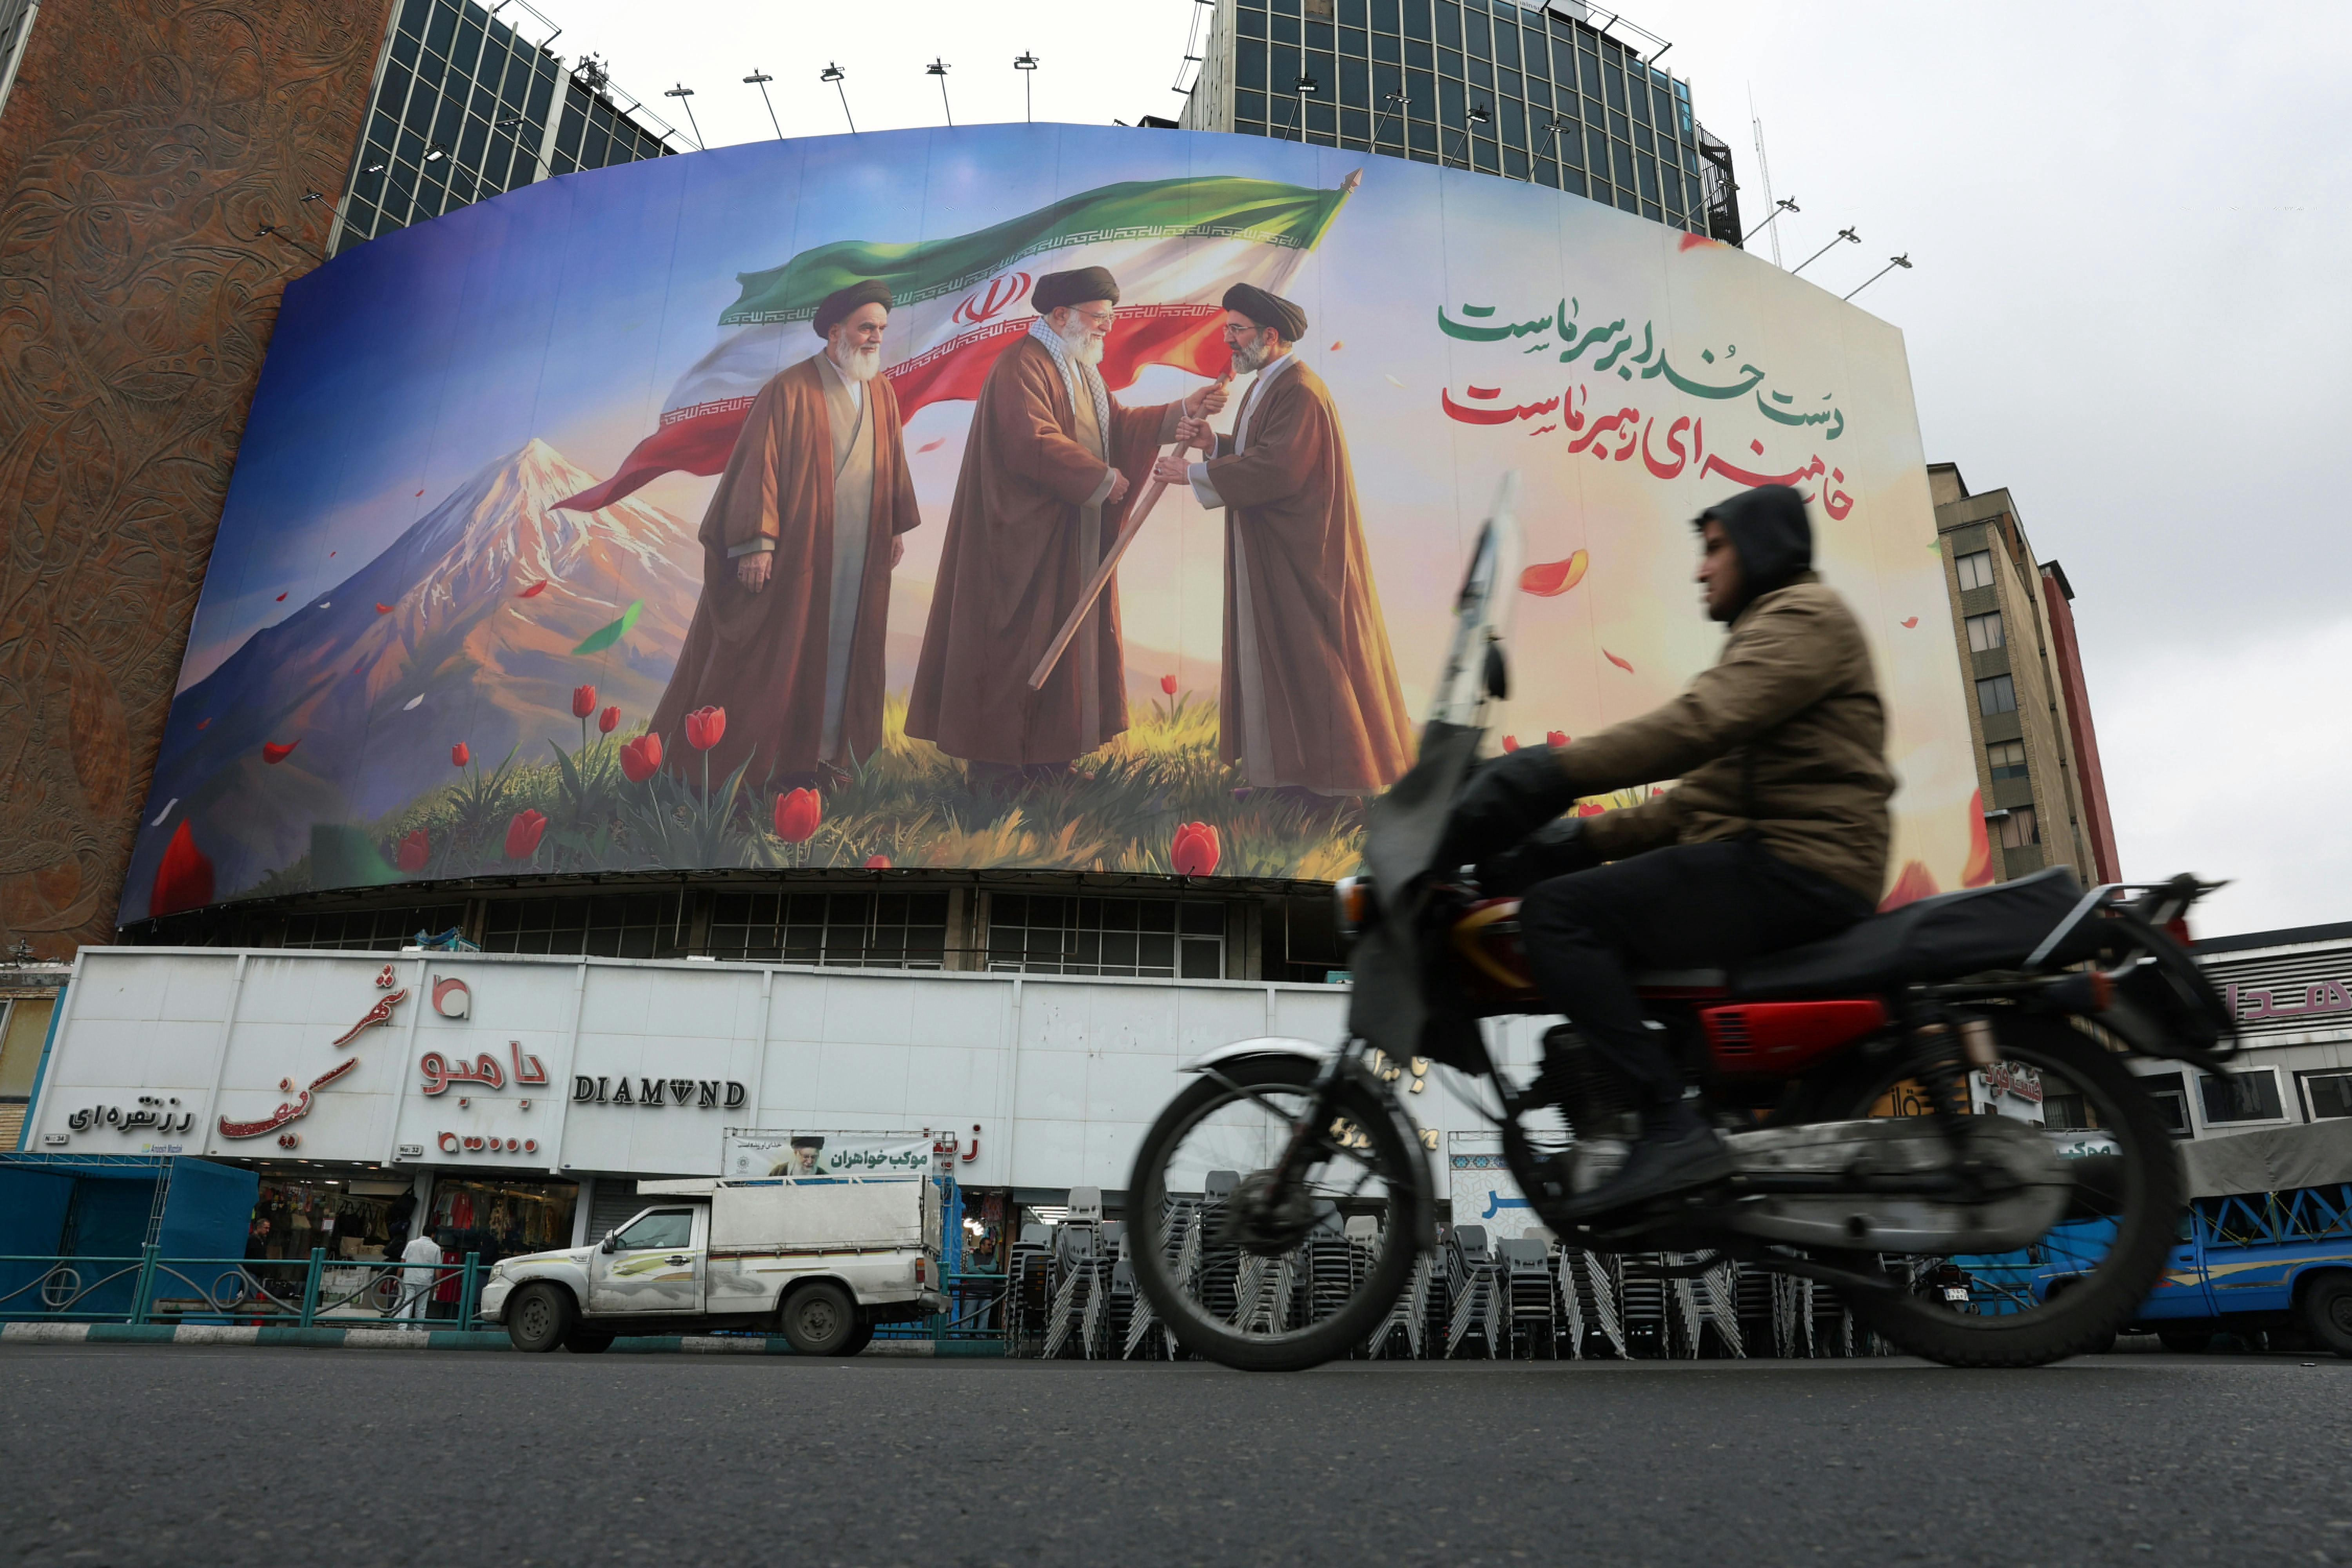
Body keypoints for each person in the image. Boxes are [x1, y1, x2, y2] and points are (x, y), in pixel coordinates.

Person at [1438, 484, 1896, 1214]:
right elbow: (1693, 805)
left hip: (1800, 865)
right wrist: (1565, 843)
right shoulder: (1771, 636)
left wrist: (1549, 774)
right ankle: (1663, 1112)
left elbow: (1696, 725)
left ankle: (1671, 1127)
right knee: (1566, 901)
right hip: (1776, 857)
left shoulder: (1804, 619)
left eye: (1716, 548)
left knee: (1557, 919)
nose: (1701, 570)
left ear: (1764, 549)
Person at [907, 267, 1227, 782]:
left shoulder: (1079, 368)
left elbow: (1116, 425)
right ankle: (998, 771)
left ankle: (1050, 762)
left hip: (1064, 536)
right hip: (1018, 541)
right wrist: (1101, 477)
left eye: (1108, 318)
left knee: (1062, 643)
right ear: (1061, 316)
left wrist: (1183, 410)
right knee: (1013, 648)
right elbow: (1030, 441)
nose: (1107, 327)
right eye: (1098, 318)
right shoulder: (1022, 365)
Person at [648, 280, 923, 791]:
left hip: (858, 555)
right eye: (867, 328)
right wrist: (757, 542)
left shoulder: (880, 391)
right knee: (778, 658)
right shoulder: (790, 389)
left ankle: (817, 763)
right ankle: (755, 772)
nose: (875, 339)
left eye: (881, 330)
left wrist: (895, 526)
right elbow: (758, 468)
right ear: (836, 331)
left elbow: (892, 466)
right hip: (799, 553)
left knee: (841, 656)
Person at [1152, 284, 1412, 801]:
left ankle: (1338, 791)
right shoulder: (1268, 382)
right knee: (1278, 661)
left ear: (1269, 336)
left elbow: (1280, 468)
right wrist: (1216, 445)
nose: (1228, 339)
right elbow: (1261, 451)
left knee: (1313, 663)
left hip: (1303, 556)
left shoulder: (1300, 389)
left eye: (1237, 330)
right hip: (1275, 548)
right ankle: (1288, 780)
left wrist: (1196, 471)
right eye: (1227, 328)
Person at [398, 1226, 442, 1325]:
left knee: (407, 1303)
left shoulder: (411, 1244)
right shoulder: (436, 1248)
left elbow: (403, 1261)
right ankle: (418, 1329)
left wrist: (398, 1276)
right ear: (433, 1235)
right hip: (425, 1280)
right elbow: (438, 1268)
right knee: (421, 1307)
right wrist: (438, 1282)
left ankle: (402, 1327)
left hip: (410, 1277)